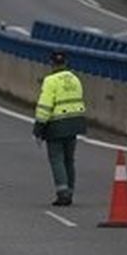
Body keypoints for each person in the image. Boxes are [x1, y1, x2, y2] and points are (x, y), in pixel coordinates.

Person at [32, 51, 87, 206]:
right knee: (69, 160)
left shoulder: (50, 81)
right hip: (75, 123)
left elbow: (45, 106)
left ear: (52, 63)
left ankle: (62, 193)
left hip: (56, 125)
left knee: (57, 159)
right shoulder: (75, 79)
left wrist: (38, 127)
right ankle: (69, 192)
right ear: (66, 63)